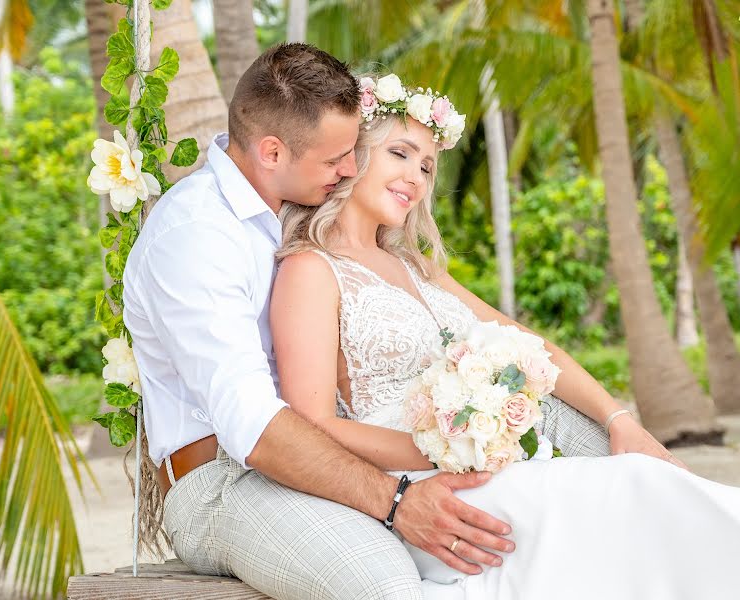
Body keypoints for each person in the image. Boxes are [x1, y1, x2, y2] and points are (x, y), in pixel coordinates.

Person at [124, 43, 614, 600]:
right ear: (271, 152)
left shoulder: (294, 212)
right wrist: (399, 496)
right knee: (386, 586)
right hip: (230, 480)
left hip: (329, 455)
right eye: (336, 159)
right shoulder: (194, 237)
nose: (349, 170)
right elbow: (253, 427)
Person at [270, 72, 740, 599]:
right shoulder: (312, 269)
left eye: (427, 166)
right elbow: (313, 424)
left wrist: (618, 418)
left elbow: (532, 346)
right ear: (353, 154)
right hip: (426, 489)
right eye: (400, 154)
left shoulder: (419, 268)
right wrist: (439, 453)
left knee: (646, 486)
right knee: (628, 494)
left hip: (492, 467)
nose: (417, 178)